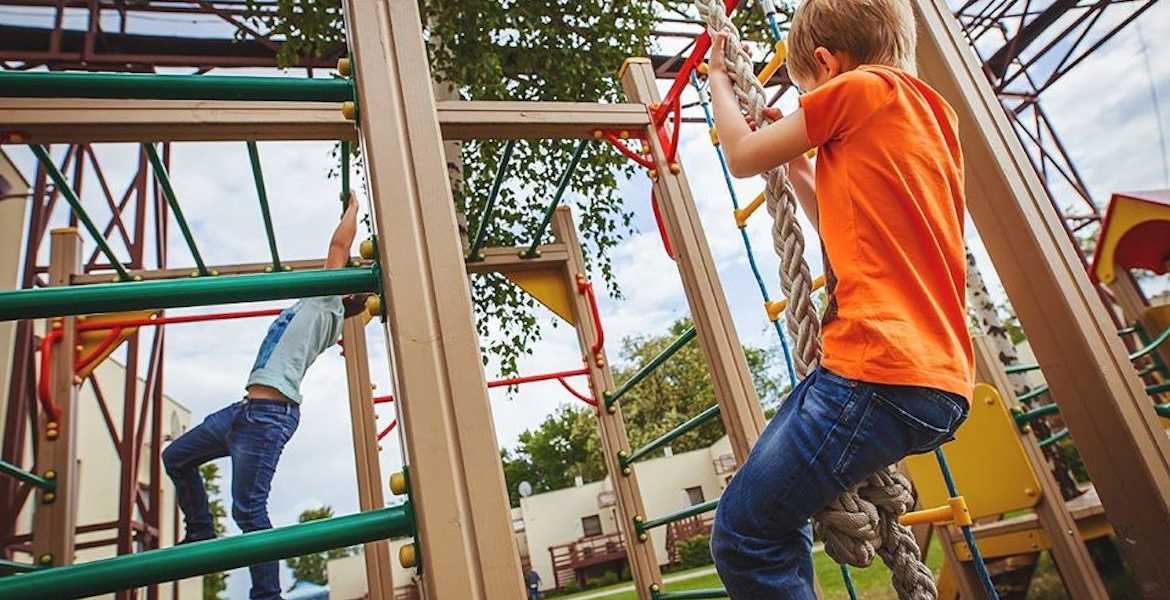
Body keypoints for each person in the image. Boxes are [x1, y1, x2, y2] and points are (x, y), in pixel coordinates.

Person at [704, 0, 973, 597]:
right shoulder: (931, 114)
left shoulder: (859, 88)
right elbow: (845, 224)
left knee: (745, 534)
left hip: (878, 369)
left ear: (827, 64)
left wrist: (719, 84)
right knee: (768, 518)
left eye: (807, 89)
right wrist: (801, 165)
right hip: (938, 377)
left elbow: (744, 156)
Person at [162, 196, 369, 600]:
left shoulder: (326, 302)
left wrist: (352, 210)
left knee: (249, 513)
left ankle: (267, 596)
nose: (333, 271)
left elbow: (338, 248)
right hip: (244, 412)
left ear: (343, 292)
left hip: (269, 417)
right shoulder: (315, 306)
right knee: (176, 457)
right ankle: (201, 530)